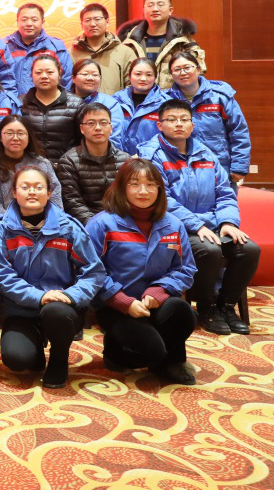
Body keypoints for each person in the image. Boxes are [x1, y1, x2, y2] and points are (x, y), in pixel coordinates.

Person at [139, 99, 258, 336]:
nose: (179, 124)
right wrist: (197, 225)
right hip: (171, 227)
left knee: (249, 249)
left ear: (192, 125)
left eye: (184, 120)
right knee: (209, 250)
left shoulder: (206, 153)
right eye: (172, 120)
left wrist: (227, 222)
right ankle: (206, 306)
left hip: (211, 224)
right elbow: (162, 199)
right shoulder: (151, 155)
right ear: (159, 125)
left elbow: (225, 193)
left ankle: (226, 306)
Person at [0, 166, 104, 389]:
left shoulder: (68, 228)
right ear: (14, 192)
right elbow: (1, 276)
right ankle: (34, 347)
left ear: (49, 193)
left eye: (38, 187)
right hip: (20, 308)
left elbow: (93, 272)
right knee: (18, 360)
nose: (32, 192)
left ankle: (59, 359)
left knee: (55, 311)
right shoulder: (1, 229)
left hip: (62, 306)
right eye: (25, 187)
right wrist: (39, 296)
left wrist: (70, 296)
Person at [85, 158, 198, 384]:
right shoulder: (102, 224)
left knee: (183, 312)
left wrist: (160, 290)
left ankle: (172, 361)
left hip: (155, 302)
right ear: (122, 187)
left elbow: (185, 268)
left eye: (150, 185)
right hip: (115, 304)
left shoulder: (173, 224)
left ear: (159, 189)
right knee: (148, 353)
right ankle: (114, 351)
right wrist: (123, 302)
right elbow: (90, 271)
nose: (143, 191)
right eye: (135, 184)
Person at [166, 50, 252, 186]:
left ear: (198, 69)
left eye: (187, 67)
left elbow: (238, 131)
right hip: (180, 170)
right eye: (177, 69)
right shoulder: (166, 100)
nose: (183, 72)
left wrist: (239, 166)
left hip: (218, 167)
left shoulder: (219, 97)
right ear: (171, 74)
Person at [55, 102, 131, 225]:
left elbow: (129, 198)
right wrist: (96, 226)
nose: (98, 128)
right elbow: (72, 203)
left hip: (121, 223)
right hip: (86, 226)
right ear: (82, 129)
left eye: (103, 123)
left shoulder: (125, 160)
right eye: (91, 123)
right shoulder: (68, 161)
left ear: (111, 127)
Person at [0, 115, 62, 227]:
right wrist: (9, 222)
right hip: (3, 225)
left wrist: (48, 221)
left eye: (21, 133)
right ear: (0, 137)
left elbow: (54, 194)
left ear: (28, 137)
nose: (15, 138)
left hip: (42, 224)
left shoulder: (42, 163)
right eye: (9, 133)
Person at [117, 0, 206, 88]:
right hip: (138, 96)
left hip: (174, 96)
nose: (155, 9)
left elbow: (198, 73)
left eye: (160, 5)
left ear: (170, 10)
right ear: (144, 10)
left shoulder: (184, 41)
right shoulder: (130, 42)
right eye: (150, 5)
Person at [20, 54, 83, 162]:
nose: (44, 76)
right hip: (30, 166)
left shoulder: (76, 104)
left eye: (50, 72)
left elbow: (82, 141)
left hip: (65, 166)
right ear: (31, 75)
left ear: (59, 74)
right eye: (38, 72)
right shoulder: (21, 103)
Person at [3, 3, 73, 97]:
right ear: (17, 21)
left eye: (34, 20)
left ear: (42, 21)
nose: (29, 24)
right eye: (24, 19)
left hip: (48, 103)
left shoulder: (56, 47)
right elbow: (0, 79)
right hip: (13, 103)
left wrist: (61, 102)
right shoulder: (5, 47)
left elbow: (67, 79)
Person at [70, 3, 134, 95]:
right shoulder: (71, 53)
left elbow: (132, 85)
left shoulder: (125, 52)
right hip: (80, 104)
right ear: (81, 24)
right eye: (87, 20)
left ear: (107, 21)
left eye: (97, 19)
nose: (92, 24)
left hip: (115, 103)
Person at [115, 58, 168, 154]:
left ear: (155, 77)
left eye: (149, 75)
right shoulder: (116, 100)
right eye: (138, 74)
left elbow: (170, 138)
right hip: (119, 159)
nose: (143, 79)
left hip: (152, 159)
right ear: (130, 76)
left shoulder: (166, 103)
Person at [70, 58, 129, 134]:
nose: (90, 78)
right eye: (85, 74)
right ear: (73, 78)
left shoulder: (110, 103)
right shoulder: (64, 101)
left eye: (95, 75)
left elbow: (115, 135)